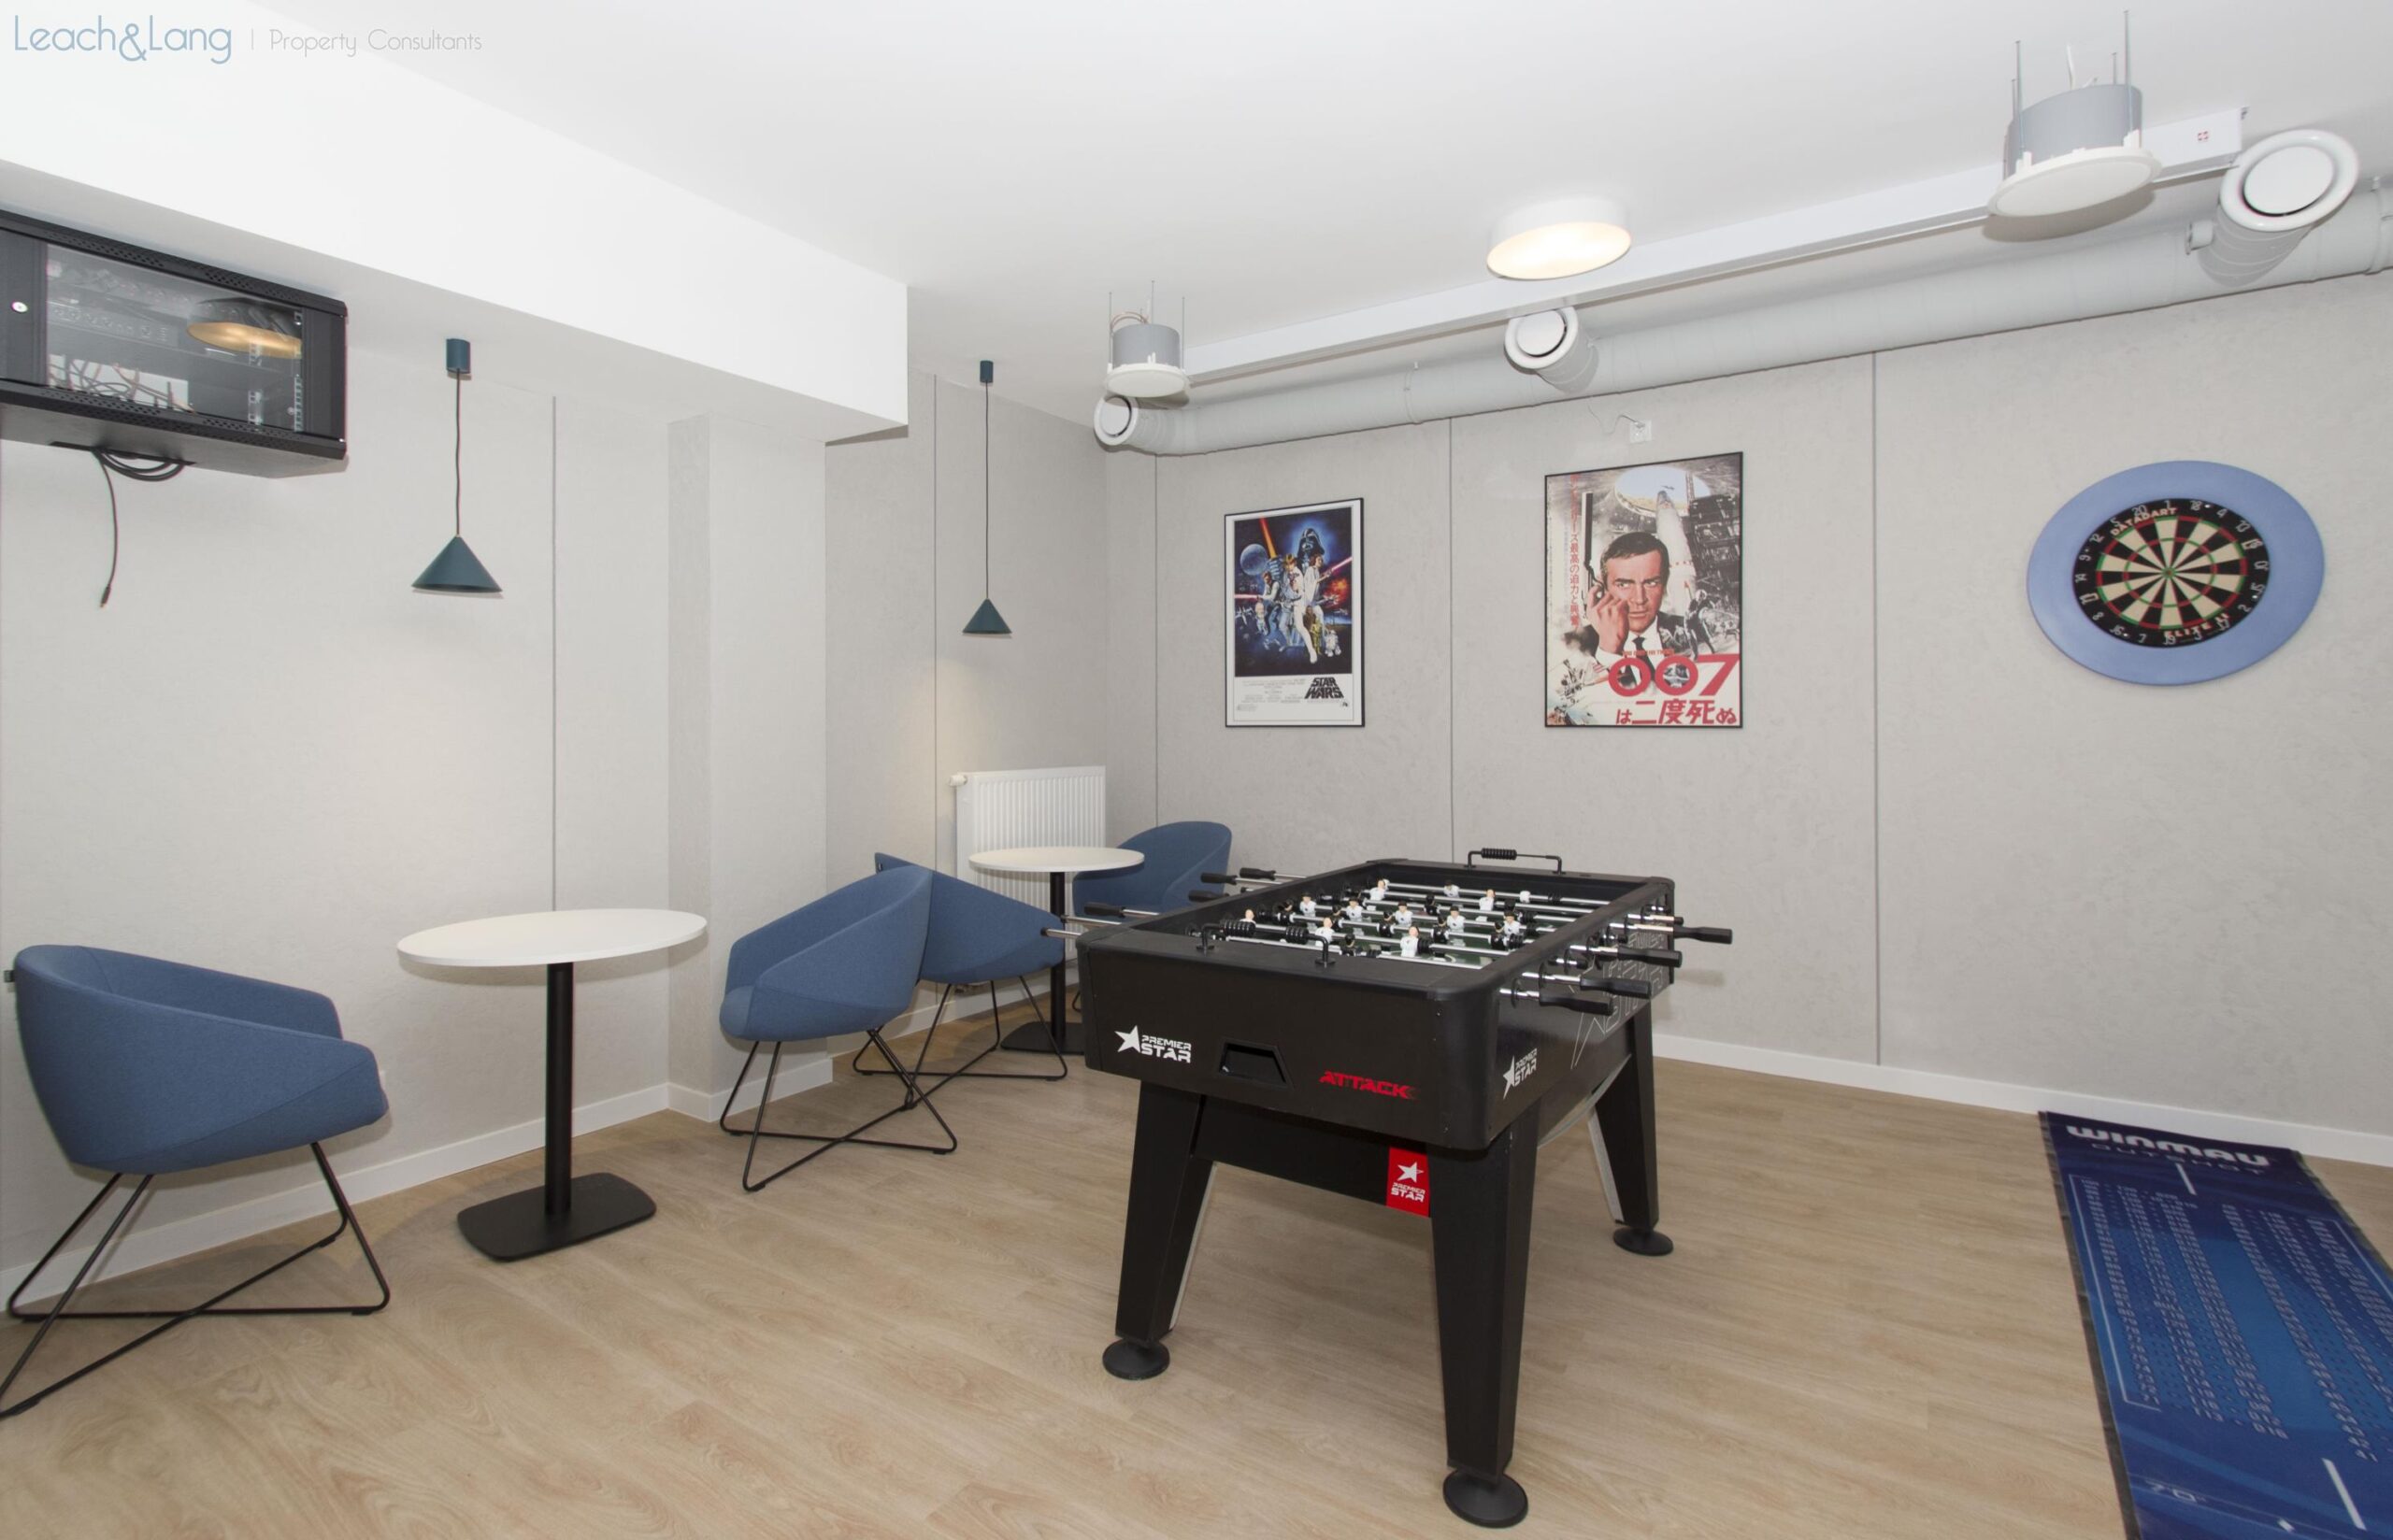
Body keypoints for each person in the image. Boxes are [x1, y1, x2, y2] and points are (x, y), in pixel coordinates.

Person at [1577, 531, 1712, 681]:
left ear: (1664, 583)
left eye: (1651, 583)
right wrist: (1607, 651)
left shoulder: (1691, 630)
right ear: (1603, 588)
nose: (1639, 599)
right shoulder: (1575, 645)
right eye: (1624, 584)